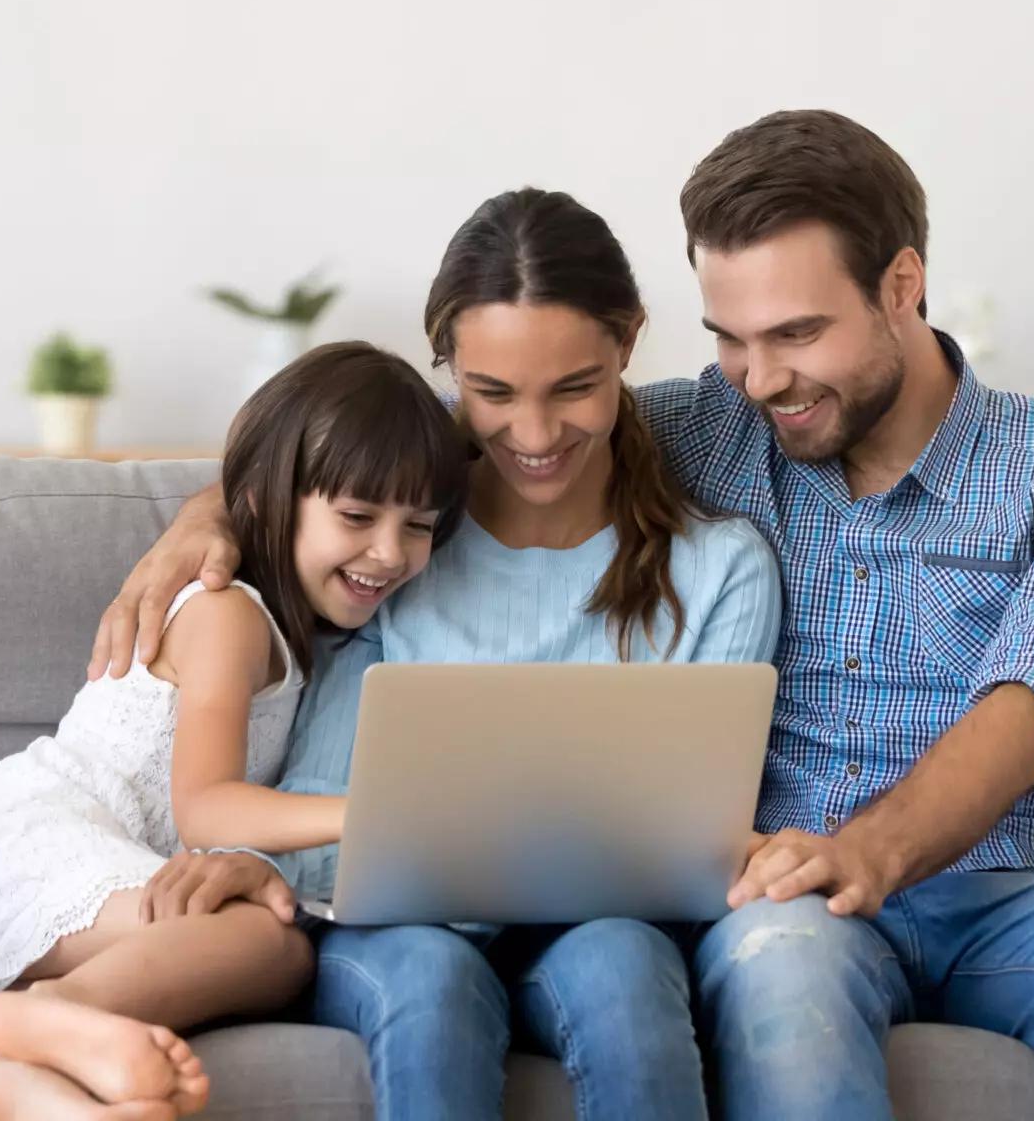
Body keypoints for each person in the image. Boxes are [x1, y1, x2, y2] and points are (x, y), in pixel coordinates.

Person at [94, 112, 1034, 1121]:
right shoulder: (715, 425)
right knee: (787, 973)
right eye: (728, 339)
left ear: (904, 285)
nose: (758, 377)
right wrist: (216, 512)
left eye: (796, 334)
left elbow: (1029, 703)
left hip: (1011, 891)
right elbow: (453, 438)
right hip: (783, 905)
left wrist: (862, 853)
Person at [102, 187, 783, 1121]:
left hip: (597, 923)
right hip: (386, 925)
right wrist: (204, 512)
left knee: (626, 971)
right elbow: (286, 483)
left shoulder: (719, 569)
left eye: (576, 389)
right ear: (446, 363)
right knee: (431, 980)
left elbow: (689, 838)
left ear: (629, 344)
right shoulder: (401, 540)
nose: (536, 438)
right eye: (493, 393)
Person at [0, 342, 471, 1121]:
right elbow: (208, 810)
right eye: (358, 516)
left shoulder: (304, 631)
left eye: (419, 526)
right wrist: (384, 816)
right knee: (271, 940)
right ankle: (56, 1010)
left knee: (271, 940)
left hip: (95, 892)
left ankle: (15, 1082)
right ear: (265, 502)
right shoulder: (229, 615)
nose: (390, 552)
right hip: (21, 858)